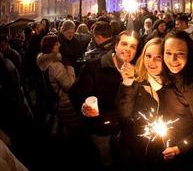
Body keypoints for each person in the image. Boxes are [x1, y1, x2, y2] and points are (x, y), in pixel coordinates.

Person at [69, 30, 139, 170]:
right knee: (105, 158)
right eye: (124, 44)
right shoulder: (95, 66)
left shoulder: (138, 69)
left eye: (133, 46)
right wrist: (83, 107)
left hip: (125, 129)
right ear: (115, 46)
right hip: (100, 127)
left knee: (123, 158)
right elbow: (76, 93)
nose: (128, 49)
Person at [159, 30, 193, 170]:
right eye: (168, 53)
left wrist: (179, 148)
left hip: (189, 159)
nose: (172, 60)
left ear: (189, 55)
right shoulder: (171, 76)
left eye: (180, 54)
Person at [118, 37, 165, 170]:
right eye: (148, 56)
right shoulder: (136, 80)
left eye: (158, 57)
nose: (152, 62)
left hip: (163, 149)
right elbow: (124, 114)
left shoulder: (172, 83)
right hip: (137, 147)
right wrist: (128, 83)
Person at [36, 34, 82, 135]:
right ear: (50, 47)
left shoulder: (43, 61)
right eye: (56, 44)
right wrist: (70, 68)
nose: (59, 45)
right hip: (65, 102)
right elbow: (69, 86)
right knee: (74, 128)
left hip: (55, 100)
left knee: (65, 124)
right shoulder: (56, 66)